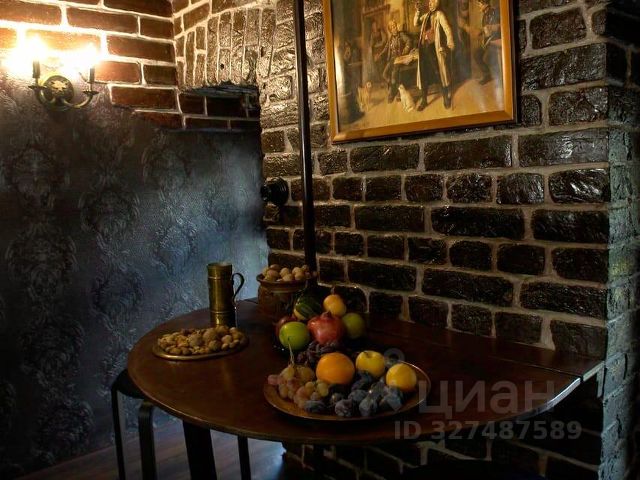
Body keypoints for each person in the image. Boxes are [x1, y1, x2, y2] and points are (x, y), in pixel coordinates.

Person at [414, 0, 455, 110]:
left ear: (437, 3)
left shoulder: (439, 14)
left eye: (432, 1)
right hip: (423, 49)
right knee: (423, 74)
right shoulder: (426, 15)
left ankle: (445, 97)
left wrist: (450, 41)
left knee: (439, 73)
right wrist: (417, 11)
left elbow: (447, 28)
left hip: (433, 50)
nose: (430, 3)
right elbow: (416, 23)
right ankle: (424, 100)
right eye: (429, 1)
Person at [375, 20, 412, 103]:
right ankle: (394, 87)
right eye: (391, 28)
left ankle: (393, 93)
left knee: (393, 75)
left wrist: (406, 49)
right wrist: (380, 55)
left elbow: (409, 41)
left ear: (396, 27)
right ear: (390, 30)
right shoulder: (390, 38)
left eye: (394, 26)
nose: (393, 28)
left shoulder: (401, 35)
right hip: (391, 59)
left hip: (398, 59)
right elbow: (385, 48)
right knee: (384, 74)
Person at [474, 0, 501, 84]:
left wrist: (492, 27)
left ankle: (500, 77)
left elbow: (503, 25)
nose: (479, 6)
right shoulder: (484, 16)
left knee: (491, 56)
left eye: (479, 4)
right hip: (488, 41)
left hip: (496, 39)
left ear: (485, 4)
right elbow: (486, 30)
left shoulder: (495, 12)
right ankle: (487, 75)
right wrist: (481, 32)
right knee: (476, 54)